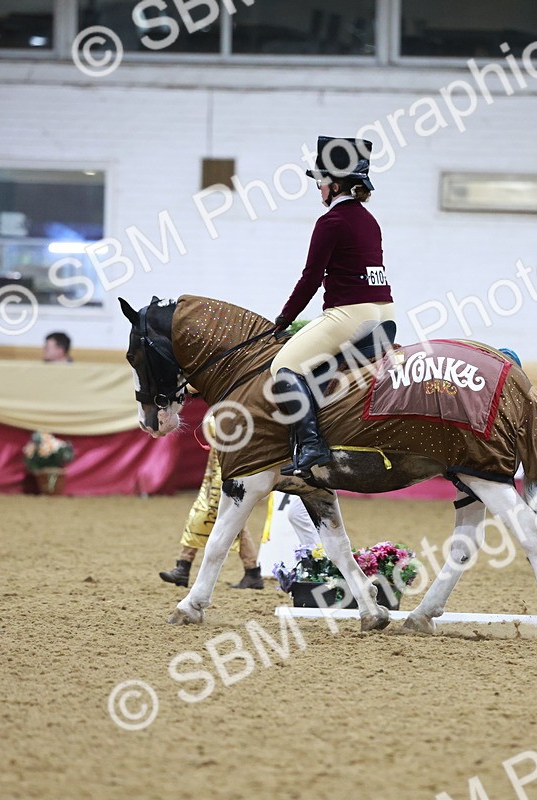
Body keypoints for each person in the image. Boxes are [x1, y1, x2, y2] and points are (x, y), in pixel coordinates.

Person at [269, 136, 394, 477]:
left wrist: (283, 319)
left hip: (351, 314)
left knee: (283, 367)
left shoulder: (331, 222)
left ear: (334, 184)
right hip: (385, 314)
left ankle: (310, 445)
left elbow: (310, 278)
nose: (318, 188)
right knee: (320, 370)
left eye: (321, 181)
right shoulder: (370, 220)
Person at [160, 447, 263, 589]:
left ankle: (184, 567)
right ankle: (252, 572)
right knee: (209, 517)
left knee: (221, 520)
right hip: (220, 465)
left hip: (229, 467)